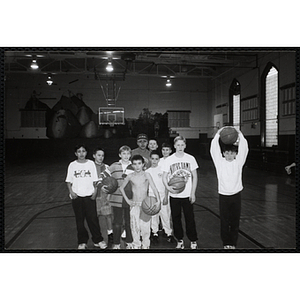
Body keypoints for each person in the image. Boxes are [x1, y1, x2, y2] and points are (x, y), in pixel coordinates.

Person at [210, 126, 249, 249]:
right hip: (224, 195)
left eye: (232, 153)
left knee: (235, 221)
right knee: (224, 221)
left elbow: (244, 148)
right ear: (223, 154)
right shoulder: (219, 162)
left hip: (236, 195)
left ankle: (233, 242)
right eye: (227, 153)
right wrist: (218, 134)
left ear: (236, 154)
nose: (229, 155)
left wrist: (239, 134)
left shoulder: (239, 162)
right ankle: (226, 242)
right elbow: (213, 149)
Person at [65, 144, 107, 250]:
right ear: (75, 153)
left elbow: (95, 180)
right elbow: (68, 181)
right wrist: (71, 192)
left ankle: (98, 240)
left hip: (89, 196)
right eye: (79, 151)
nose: (81, 153)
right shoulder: (72, 165)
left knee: (93, 219)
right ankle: (82, 241)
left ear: (86, 153)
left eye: (83, 151)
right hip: (77, 197)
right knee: (80, 221)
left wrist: (95, 192)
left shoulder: (91, 164)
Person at [162, 136, 199, 250]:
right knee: (176, 218)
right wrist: (168, 188)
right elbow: (164, 177)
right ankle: (180, 240)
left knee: (190, 218)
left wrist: (193, 193)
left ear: (185, 145)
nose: (180, 147)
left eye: (182, 145)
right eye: (178, 145)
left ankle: (193, 240)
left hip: (187, 195)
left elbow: (195, 176)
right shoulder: (169, 160)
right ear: (174, 146)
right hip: (175, 195)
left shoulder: (190, 158)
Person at [120, 155, 161, 249]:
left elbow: (154, 188)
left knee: (145, 228)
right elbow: (121, 188)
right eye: (134, 164)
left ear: (143, 164)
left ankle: (146, 246)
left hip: (145, 205)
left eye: (139, 164)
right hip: (134, 205)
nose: (137, 166)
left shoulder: (147, 175)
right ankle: (136, 245)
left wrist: (158, 201)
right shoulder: (130, 176)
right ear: (132, 165)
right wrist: (128, 201)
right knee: (135, 228)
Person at [108, 145, 134, 249]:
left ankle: (129, 241)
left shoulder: (134, 166)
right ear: (120, 155)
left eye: (128, 153)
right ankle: (116, 243)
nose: (126, 156)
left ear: (130, 155)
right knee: (117, 222)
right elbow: (102, 176)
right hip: (116, 198)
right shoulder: (114, 166)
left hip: (130, 199)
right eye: (124, 153)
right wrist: (104, 187)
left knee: (129, 222)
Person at [146, 150, 174, 245]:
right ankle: (154, 232)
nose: (154, 161)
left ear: (159, 159)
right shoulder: (147, 171)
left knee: (165, 215)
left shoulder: (163, 170)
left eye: (156, 159)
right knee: (154, 215)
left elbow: (167, 184)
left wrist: (166, 196)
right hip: (152, 196)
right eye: (152, 159)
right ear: (150, 159)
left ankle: (168, 233)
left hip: (163, 196)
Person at [93, 147, 113, 245]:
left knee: (108, 215)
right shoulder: (90, 167)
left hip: (105, 195)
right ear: (94, 156)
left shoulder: (107, 167)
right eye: (99, 155)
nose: (101, 157)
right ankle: (97, 237)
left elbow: (111, 182)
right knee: (94, 217)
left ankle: (110, 234)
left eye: (102, 155)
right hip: (93, 196)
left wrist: (110, 194)